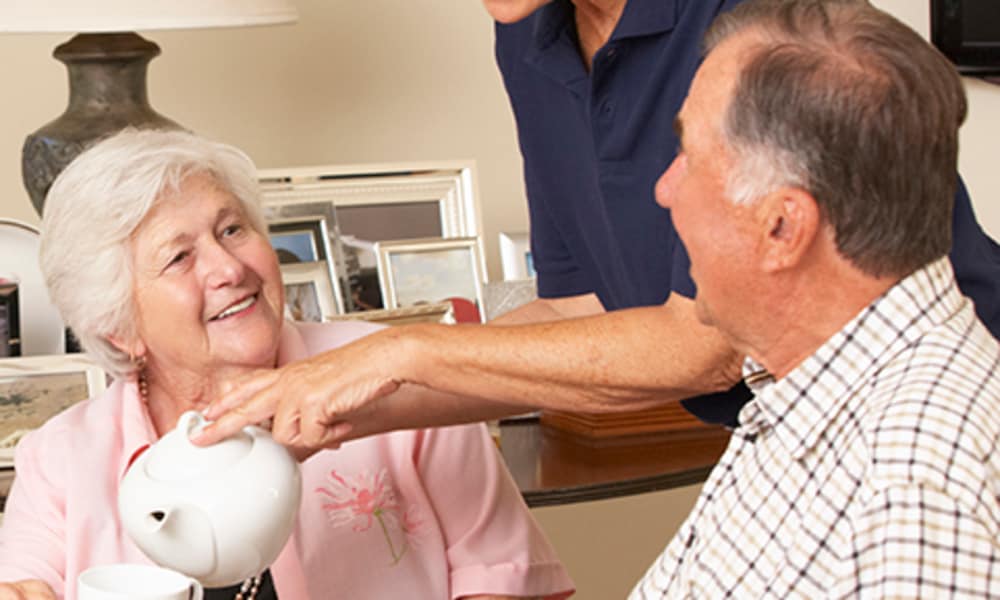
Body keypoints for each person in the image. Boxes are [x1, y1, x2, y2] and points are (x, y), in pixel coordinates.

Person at [197, 0, 1000, 449]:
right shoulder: (530, 37)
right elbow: (582, 309)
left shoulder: (750, 24)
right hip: (786, 436)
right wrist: (324, 413)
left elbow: (711, 343)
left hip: (924, 419)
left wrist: (401, 349)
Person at [0, 129, 574, 600]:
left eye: (233, 229)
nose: (229, 267)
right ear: (119, 329)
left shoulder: (394, 379)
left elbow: (508, 582)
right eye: (179, 257)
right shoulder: (59, 462)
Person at [629, 0, 1000, 595]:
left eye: (689, 158)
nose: (665, 189)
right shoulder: (804, 388)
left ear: (782, 228)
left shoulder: (915, 488)